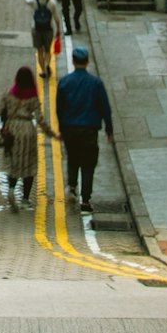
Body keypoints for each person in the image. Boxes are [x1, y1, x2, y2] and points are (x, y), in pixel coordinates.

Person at [55, 44, 114, 212]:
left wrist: (60, 128)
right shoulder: (96, 83)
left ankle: (72, 187)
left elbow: (59, 108)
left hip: (70, 129)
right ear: (87, 62)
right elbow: (105, 108)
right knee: (88, 165)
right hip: (89, 130)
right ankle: (86, 200)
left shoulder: (65, 82)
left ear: (73, 61)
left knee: (72, 159)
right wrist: (109, 130)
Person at [0, 65, 52, 212]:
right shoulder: (33, 96)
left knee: (13, 163)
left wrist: (5, 124)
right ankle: (25, 199)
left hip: (12, 130)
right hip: (28, 131)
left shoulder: (9, 93)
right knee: (29, 166)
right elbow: (39, 118)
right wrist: (51, 133)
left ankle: (11, 190)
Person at [26, 0, 62, 79]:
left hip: (36, 29)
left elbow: (27, 0)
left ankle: (43, 71)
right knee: (48, 50)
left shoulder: (33, 2)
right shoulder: (51, 3)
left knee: (40, 51)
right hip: (48, 29)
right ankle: (47, 64)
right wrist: (58, 29)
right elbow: (56, 19)